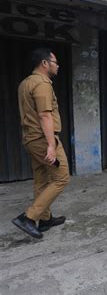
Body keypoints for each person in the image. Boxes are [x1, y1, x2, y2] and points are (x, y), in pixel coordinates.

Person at [12, 48, 70, 239]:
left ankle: (44, 219)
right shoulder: (42, 84)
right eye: (55, 62)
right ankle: (28, 217)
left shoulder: (25, 83)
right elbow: (44, 115)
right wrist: (51, 145)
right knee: (62, 178)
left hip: (31, 139)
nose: (57, 66)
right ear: (45, 63)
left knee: (41, 179)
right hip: (43, 140)